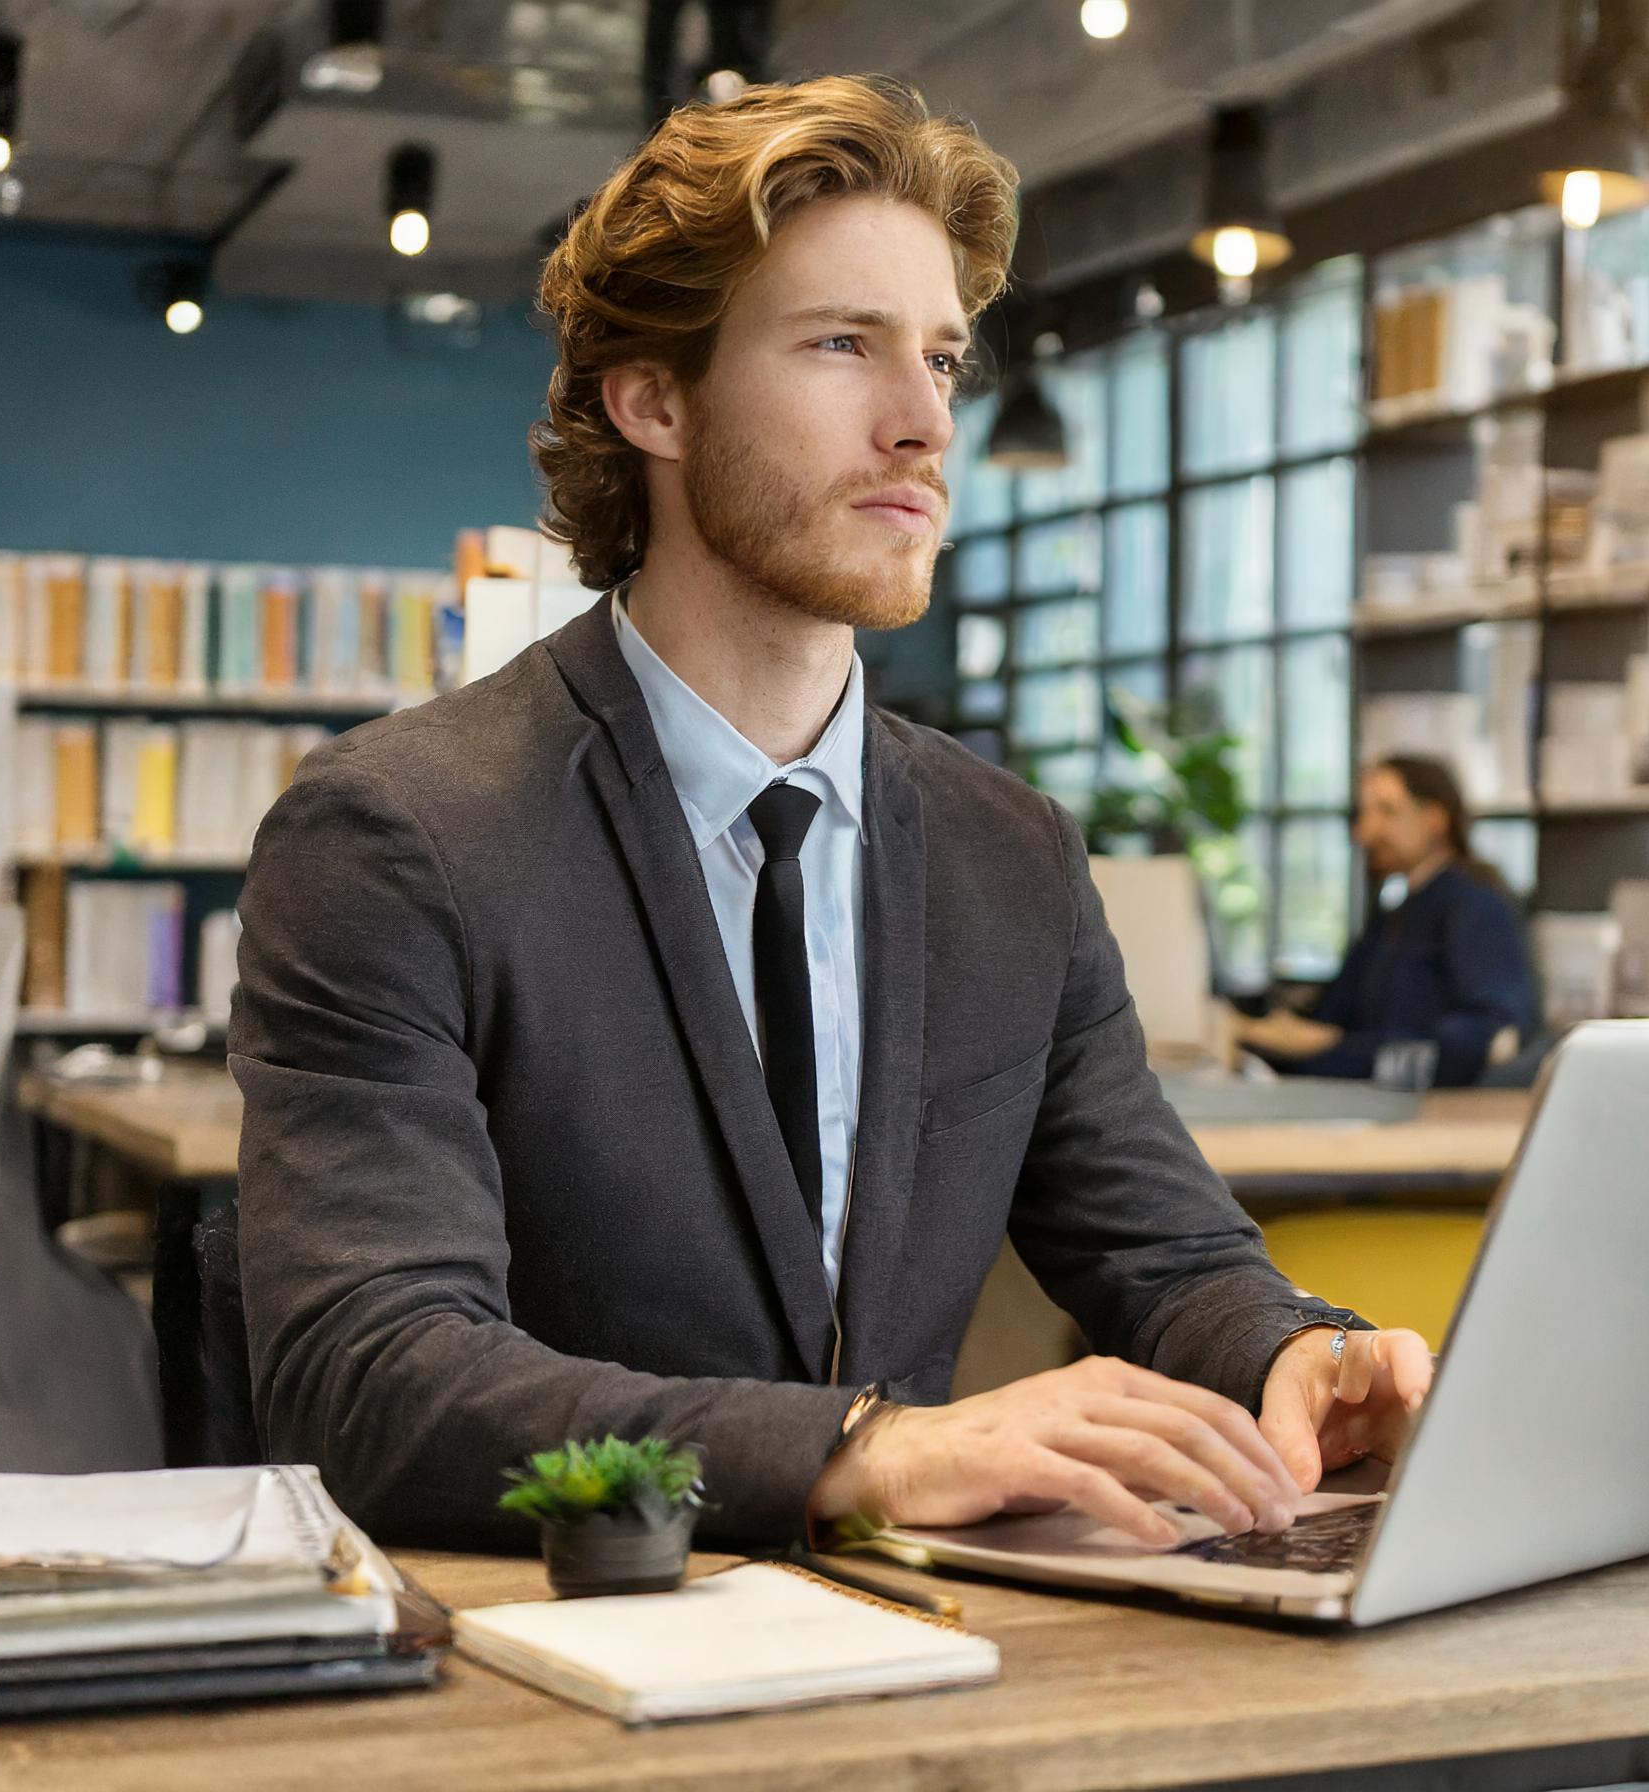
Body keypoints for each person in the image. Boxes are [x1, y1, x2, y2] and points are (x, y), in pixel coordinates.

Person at [231, 76, 1433, 1554]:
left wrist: (1294, 1351)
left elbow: (1167, 1250)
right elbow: (369, 1379)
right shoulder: (399, 835)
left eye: (939, 357)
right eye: (841, 346)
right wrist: (856, 1452)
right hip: (557, 1668)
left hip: (925, 1671)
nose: (925, 422)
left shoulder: (1015, 854)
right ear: (654, 399)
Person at [1235, 757, 1537, 1086]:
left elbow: (1489, 1037)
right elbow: (1335, 1015)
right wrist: (1267, 1032)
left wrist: (1338, 1046)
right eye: (1365, 814)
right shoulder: (1396, 910)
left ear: (1435, 819)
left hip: (1434, 1112)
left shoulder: (1473, 906)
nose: (1365, 832)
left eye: (1387, 811)